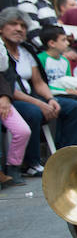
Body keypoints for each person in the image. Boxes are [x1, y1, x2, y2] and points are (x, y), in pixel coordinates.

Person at [0, 7, 77, 176]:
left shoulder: (26, 51)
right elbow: (9, 88)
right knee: (34, 112)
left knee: (73, 106)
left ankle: (66, 157)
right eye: (13, 24)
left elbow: (38, 82)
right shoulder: (2, 51)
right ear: (1, 28)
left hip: (32, 96)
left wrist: (50, 99)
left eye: (22, 26)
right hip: (11, 98)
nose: (19, 29)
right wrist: (39, 103)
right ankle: (31, 163)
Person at [36, 26, 77, 147]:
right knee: (74, 105)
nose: (67, 43)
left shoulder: (65, 61)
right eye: (64, 40)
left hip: (66, 94)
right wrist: (68, 91)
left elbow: (68, 82)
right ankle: (66, 146)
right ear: (52, 43)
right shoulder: (41, 59)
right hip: (49, 95)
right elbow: (44, 84)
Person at [0, 37, 31, 186]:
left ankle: (13, 167)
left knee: (23, 130)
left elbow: (3, 69)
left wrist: (5, 97)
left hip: (2, 97)